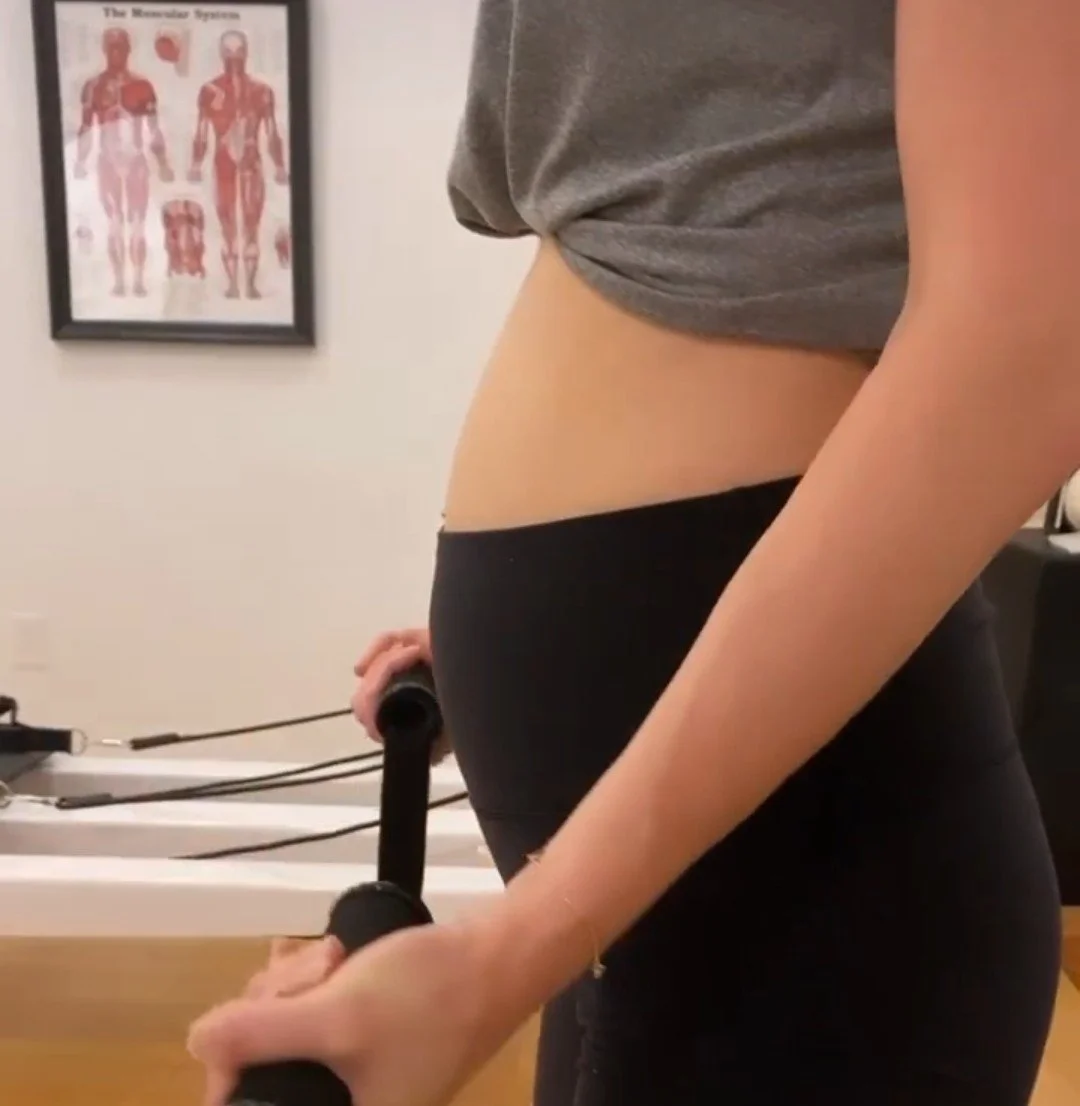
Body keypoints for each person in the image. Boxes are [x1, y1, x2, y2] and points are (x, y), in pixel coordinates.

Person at [189, 1, 1077, 1103]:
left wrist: (507, 951)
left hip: (809, 878)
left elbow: (1033, 334)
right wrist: (558, 630)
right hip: (672, 868)